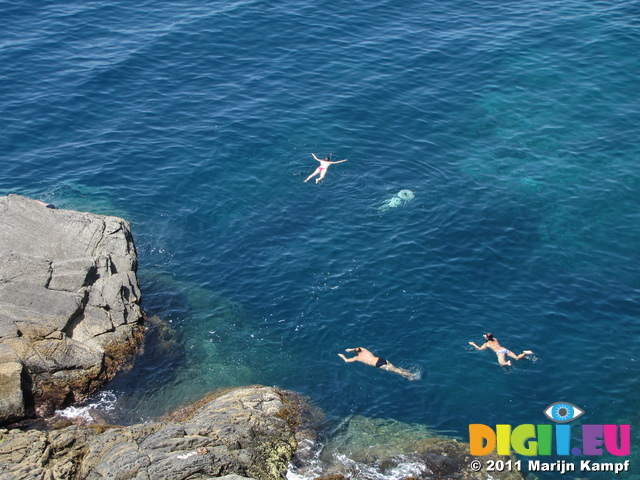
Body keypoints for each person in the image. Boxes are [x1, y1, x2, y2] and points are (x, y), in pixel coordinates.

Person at [338, 347, 417, 380]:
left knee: (396, 371)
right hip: (382, 360)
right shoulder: (364, 350)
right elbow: (358, 348)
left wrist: (342, 356)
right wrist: (351, 349)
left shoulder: (358, 357)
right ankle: (407, 374)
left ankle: (411, 375)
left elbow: (347, 360)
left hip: (378, 365)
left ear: (355, 353)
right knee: (395, 368)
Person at [469, 333, 533, 367]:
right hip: (504, 349)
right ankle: (524, 353)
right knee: (517, 358)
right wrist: (486, 336)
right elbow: (490, 337)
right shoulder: (495, 339)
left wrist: (473, 344)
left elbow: (479, 349)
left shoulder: (487, 344)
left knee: (502, 363)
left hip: (499, 352)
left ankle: (507, 363)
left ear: (487, 338)